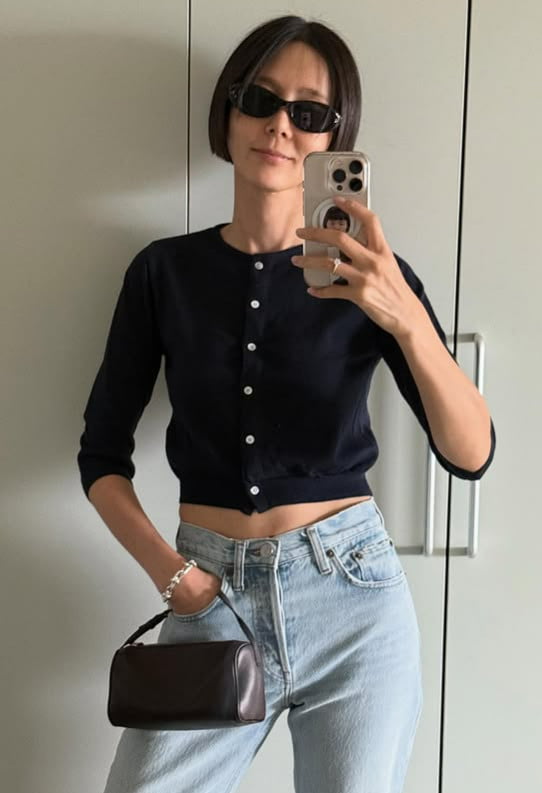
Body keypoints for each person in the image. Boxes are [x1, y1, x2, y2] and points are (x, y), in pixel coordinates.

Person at [77, 14, 496, 793]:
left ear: (335, 138)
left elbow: (470, 452)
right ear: (228, 111)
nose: (279, 125)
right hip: (208, 599)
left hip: (352, 600)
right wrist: (175, 578)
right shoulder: (163, 273)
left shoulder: (374, 275)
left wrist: (402, 314)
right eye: (260, 99)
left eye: (309, 113)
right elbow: (100, 457)